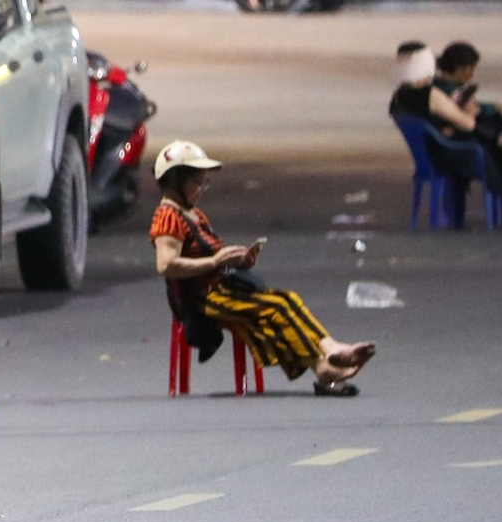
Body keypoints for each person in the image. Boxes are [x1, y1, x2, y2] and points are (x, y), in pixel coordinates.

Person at [150, 141, 377, 396]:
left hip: (223, 288)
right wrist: (215, 262)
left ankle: (330, 351)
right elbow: (166, 264)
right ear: (176, 180)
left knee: (286, 299)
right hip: (204, 300)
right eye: (197, 182)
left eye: (205, 182)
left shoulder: (194, 214)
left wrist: (240, 259)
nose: (202, 189)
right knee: (275, 307)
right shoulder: (168, 217)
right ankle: (323, 365)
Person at [388, 41, 502, 227]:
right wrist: (469, 109)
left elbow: (433, 124)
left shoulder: (398, 97)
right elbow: (466, 124)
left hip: (433, 153)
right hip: (455, 154)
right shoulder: (431, 95)